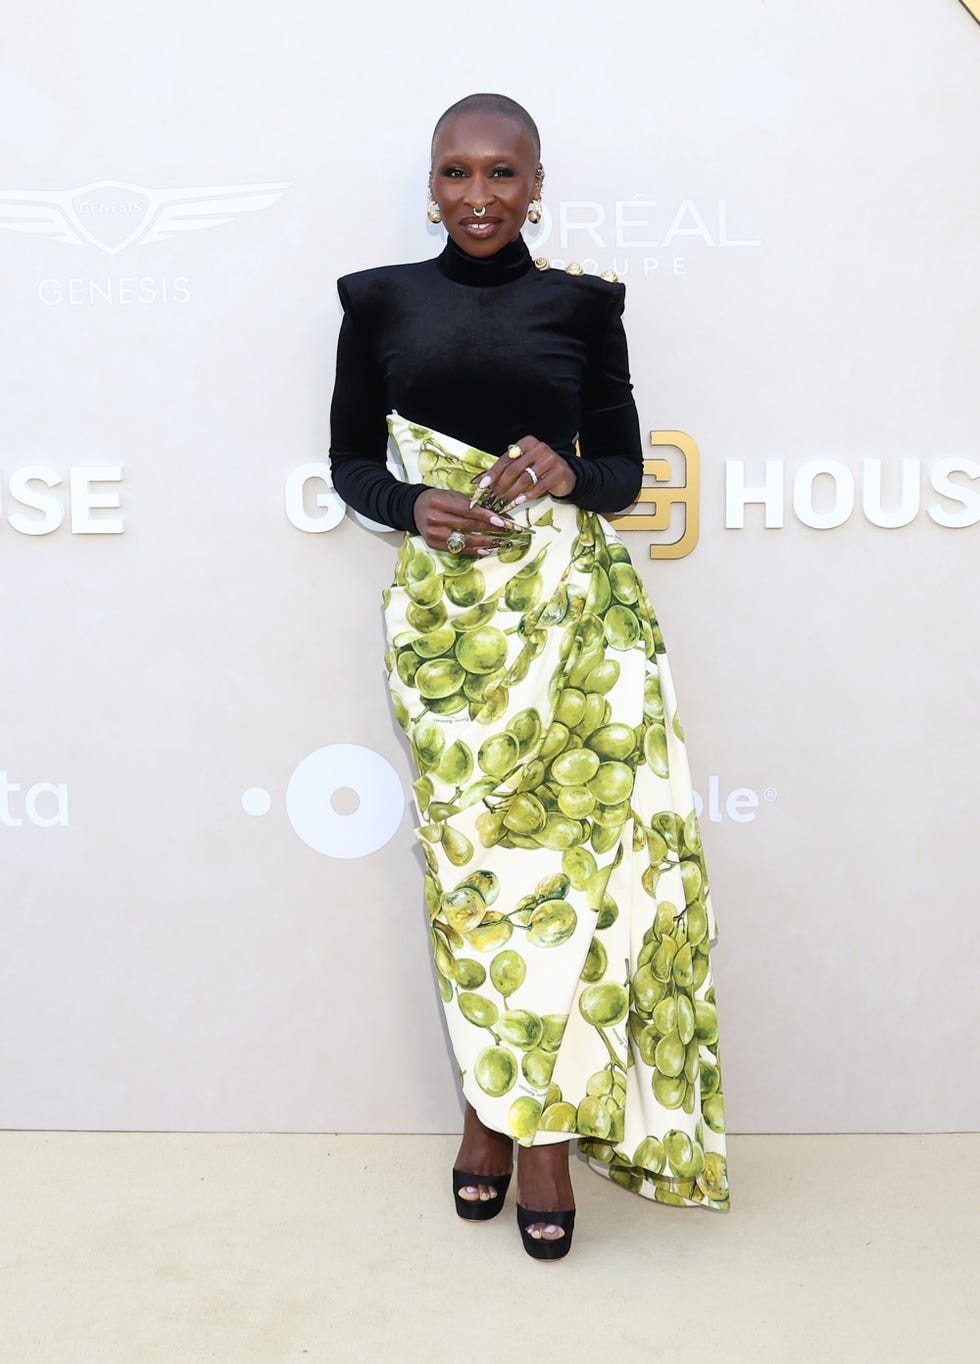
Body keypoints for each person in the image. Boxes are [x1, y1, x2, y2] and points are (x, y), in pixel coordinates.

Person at [329, 93, 729, 1261]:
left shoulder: (585, 306)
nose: (478, 197)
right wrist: (409, 503)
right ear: (431, 184)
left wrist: (566, 468)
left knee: (571, 886)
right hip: (453, 638)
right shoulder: (375, 302)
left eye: (502, 174)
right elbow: (350, 457)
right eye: (456, 173)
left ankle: (535, 1134)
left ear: (538, 184)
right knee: (473, 885)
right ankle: (486, 1104)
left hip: (580, 635)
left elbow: (622, 474)